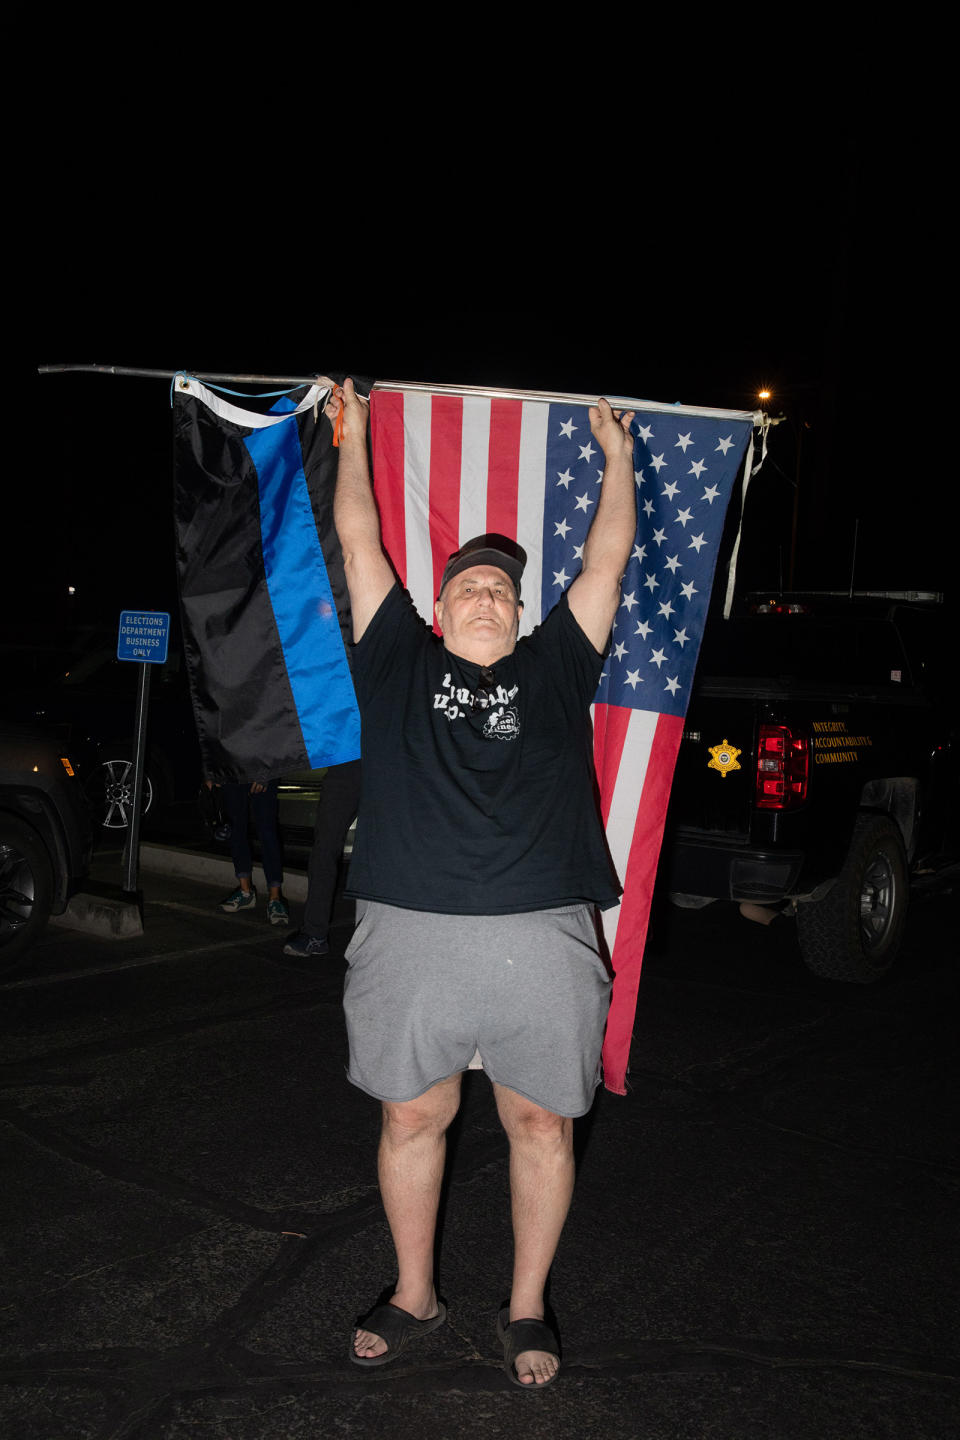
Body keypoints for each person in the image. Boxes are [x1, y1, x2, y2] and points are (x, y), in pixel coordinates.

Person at [331, 377, 636, 1389]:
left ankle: (525, 1306)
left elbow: (604, 560)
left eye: (501, 589)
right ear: (441, 601)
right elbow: (360, 541)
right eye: (467, 583)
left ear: (518, 612)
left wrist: (620, 459)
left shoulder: (554, 669)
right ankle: (415, 1291)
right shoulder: (396, 665)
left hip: (539, 934)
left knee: (540, 1123)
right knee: (413, 1116)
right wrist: (356, 429)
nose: (483, 594)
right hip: (408, 930)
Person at [283, 759, 361, 957]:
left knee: (378, 852)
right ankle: (315, 934)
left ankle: (382, 935)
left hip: (386, 759)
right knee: (324, 848)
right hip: (347, 762)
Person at [215, 779, 289, 925]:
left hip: (262, 764)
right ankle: (245, 891)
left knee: (267, 830)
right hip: (233, 768)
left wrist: (265, 773)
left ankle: (275, 898)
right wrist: (211, 772)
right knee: (235, 828)